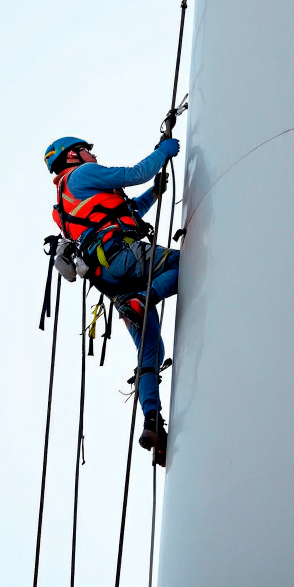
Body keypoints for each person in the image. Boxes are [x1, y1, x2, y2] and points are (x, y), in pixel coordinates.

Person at [44, 135, 180, 465]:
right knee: (185, 263)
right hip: (125, 257)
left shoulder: (64, 205)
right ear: (72, 155)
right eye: (87, 150)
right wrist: (163, 152)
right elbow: (135, 173)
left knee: (150, 352)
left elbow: (121, 212)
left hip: (111, 282)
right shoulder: (81, 175)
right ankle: (145, 297)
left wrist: (155, 194)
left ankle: (152, 421)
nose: (93, 154)